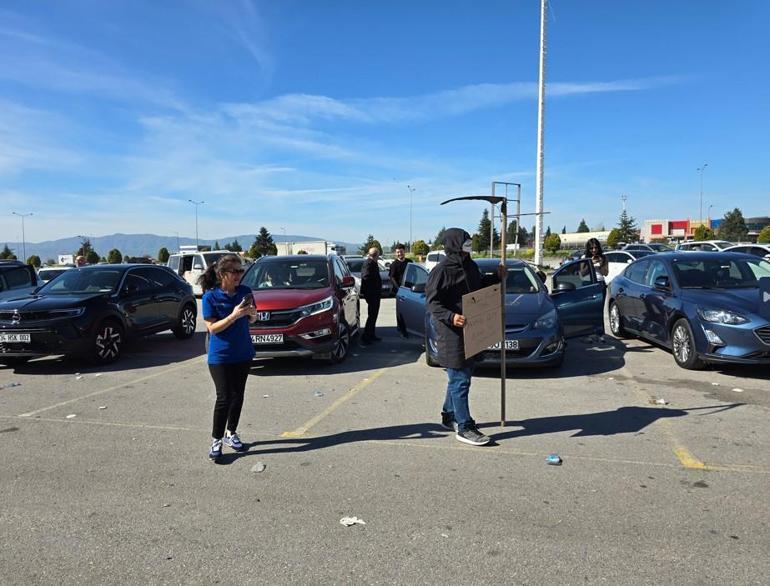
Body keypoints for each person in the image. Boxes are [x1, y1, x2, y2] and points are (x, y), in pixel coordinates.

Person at [426, 228, 500, 446]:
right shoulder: (441, 271)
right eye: (465, 241)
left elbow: (478, 288)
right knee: (460, 380)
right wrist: (451, 316)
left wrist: (496, 277)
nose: (469, 244)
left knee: (459, 377)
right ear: (455, 244)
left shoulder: (471, 266)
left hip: (472, 330)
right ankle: (464, 426)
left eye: (470, 241)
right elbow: (432, 303)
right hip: (451, 334)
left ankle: (449, 415)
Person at [199, 254, 257, 462]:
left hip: (243, 352)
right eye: (235, 271)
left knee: (238, 395)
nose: (240, 275)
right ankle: (216, 439)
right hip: (220, 355)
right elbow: (212, 328)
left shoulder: (245, 292)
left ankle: (231, 433)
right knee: (224, 397)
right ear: (223, 274)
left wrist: (251, 313)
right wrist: (234, 315)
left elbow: (252, 318)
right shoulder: (210, 297)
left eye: (241, 270)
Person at [360, 247, 382, 344]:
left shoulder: (372, 263)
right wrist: (371, 290)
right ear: (376, 255)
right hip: (372, 294)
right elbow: (366, 277)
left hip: (374, 294)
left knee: (374, 315)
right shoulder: (368, 263)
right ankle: (366, 336)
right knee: (372, 315)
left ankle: (371, 334)